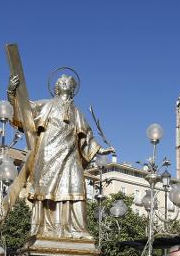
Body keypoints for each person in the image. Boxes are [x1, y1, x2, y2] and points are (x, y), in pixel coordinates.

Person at [7, 74, 114, 240]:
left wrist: (101, 151)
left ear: (73, 88)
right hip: (48, 154)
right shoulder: (45, 105)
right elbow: (24, 110)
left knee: (76, 188)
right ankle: (44, 230)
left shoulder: (77, 112)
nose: (65, 82)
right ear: (56, 87)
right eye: (61, 81)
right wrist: (11, 92)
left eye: (69, 82)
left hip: (71, 157)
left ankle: (77, 229)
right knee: (47, 190)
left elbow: (87, 137)